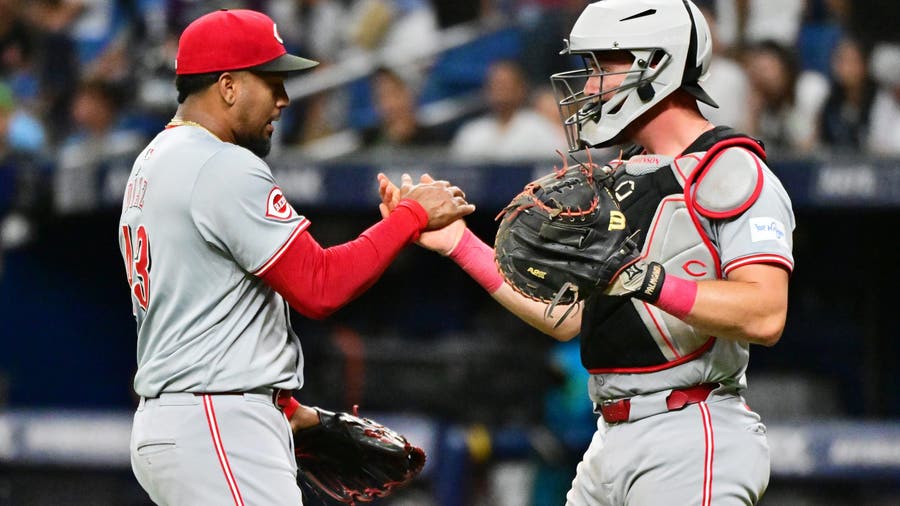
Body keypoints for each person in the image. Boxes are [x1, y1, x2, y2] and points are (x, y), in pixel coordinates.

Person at [380, 1, 794, 504]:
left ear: (656, 64)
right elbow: (568, 318)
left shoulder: (730, 169)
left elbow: (766, 313)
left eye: (603, 66)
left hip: (690, 429)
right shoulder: (624, 174)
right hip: (612, 437)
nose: (590, 84)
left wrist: (644, 278)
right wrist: (459, 244)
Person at [118, 9, 473, 506]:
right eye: (273, 81)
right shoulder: (219, 163)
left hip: (186, 418)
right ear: (228, 86)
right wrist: (409, 217)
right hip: (217, 422)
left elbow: (215, 314)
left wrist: (286, 408)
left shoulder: (154, 160)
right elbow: (319, 286)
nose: (285, 99)